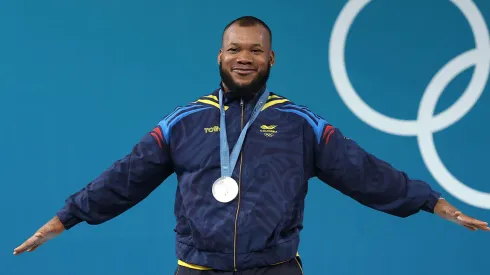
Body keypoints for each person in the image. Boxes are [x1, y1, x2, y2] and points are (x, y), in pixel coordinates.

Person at [13, 15, 489, 275]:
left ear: (271, 58)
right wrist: (65, 219)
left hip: (276, 271)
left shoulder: (298, 123)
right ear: (220, 56)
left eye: (255, 50)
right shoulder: (184, 122)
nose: (245, 58)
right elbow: (125, 178)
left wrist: (435, 203)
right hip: (198, 271)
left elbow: (365, 172)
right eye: (235, 49)